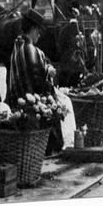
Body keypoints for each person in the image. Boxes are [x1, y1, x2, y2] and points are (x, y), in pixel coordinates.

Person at [8, 9, 75, 153]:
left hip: (14, 98)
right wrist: (49, 73)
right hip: (31, 101)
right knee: (66, 102)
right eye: (38, 30)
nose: (40, 34)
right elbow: (39, 83)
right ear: (33, 29)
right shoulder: (32, 50)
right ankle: (66, 146)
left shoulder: (17, 45)